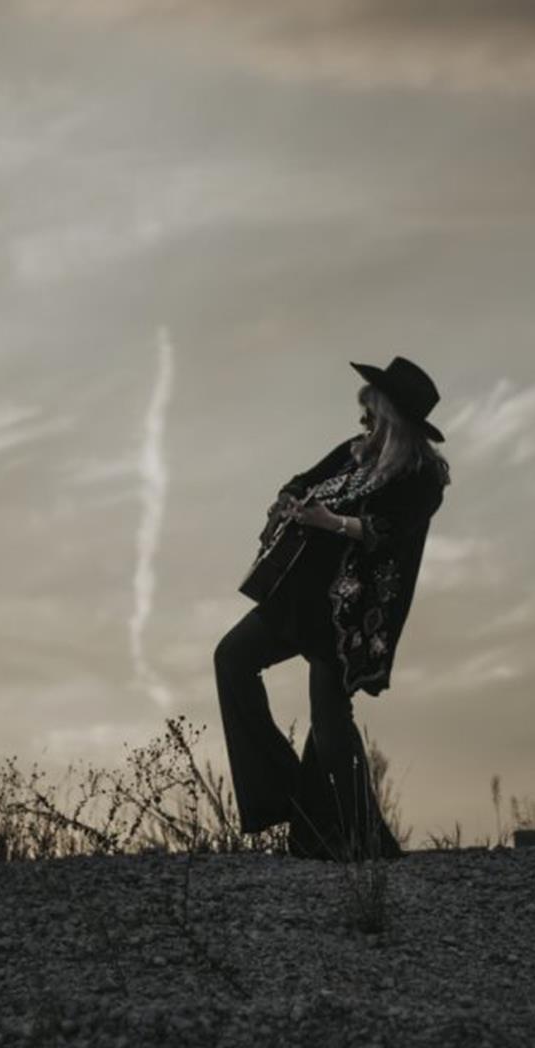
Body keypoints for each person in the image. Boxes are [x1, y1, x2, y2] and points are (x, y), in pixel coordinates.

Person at [214, 356, 450, 861]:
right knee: (232, 658)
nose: (364, 418)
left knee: (329, 724)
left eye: (373, 409)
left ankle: (358, 840)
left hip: (350, 616)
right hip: (298, 597)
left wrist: (332, 523)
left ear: (392, 414)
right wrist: (284, 502)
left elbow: (389, 534)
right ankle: (289, 796)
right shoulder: (352, 453)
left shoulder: (423, 476)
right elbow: (301, 480)